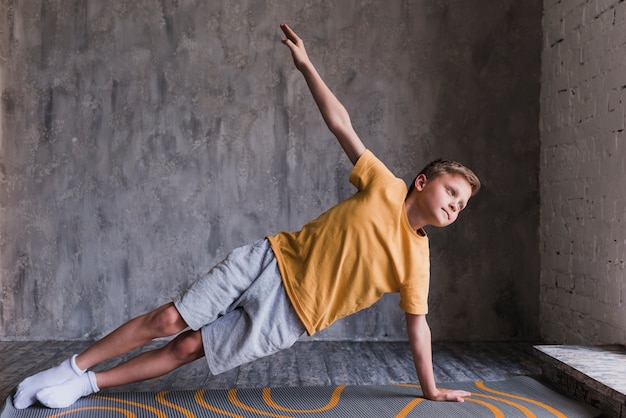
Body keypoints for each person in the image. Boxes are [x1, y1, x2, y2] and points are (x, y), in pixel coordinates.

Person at [13, 23, 480, 409]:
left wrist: (431, 389)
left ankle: (91, 385)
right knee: (169, 321)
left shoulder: (418, 261)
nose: (455, 205)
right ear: (423, 182)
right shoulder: (385, 184)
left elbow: (418, 326)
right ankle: (70, 369)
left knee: (187, 349)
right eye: (452, 192)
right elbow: (342, 124)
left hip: (291, 317)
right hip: (270, 261)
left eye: (461, 206)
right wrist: (306, 66)